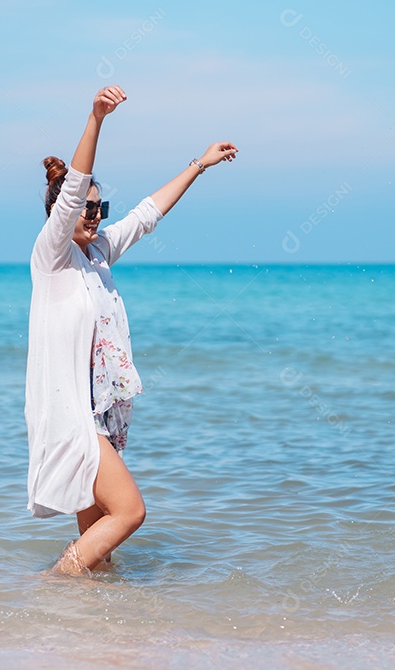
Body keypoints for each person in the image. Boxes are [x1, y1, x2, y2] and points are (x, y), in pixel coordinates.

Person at [24, 85, 237, 575]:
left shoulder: (98, 254)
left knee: (103, 560)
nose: (95, 215)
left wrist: (198, 166)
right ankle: (52, 584)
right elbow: (75, 185)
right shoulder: (53, 256)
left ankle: (89, 630)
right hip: (69, 417)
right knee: (130, 511)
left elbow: (146, 215)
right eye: (86, 208)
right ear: (61, 215)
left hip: (96, 411)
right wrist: (96, 118)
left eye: (101, 207)